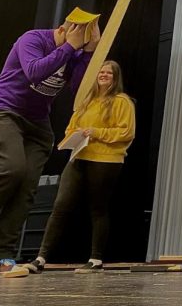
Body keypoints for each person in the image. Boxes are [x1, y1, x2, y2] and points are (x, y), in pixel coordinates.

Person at [0, 18, 98, 279]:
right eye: (76, 36)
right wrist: (70, 46)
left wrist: (89, 52)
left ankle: (1, 257)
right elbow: (35, 71)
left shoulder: (74, 53)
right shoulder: (33, 39)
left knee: (26, 186)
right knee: (10, 170)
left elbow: (79, 90)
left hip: (37, 126)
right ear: (63, 29)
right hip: (1, 112)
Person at [25, 60, 135, 275]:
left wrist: (96, 132)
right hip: (78, 157)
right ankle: (41, 258)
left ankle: (96, 259)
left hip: (105, 160)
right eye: (101, 72)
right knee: (60, 205)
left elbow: (126, 132)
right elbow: (71, 127)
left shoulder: (122, 102)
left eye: (108, 73)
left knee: (98, 208)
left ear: (115, 77)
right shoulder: (87, 101)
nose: (103, 75)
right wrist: (72, 136)